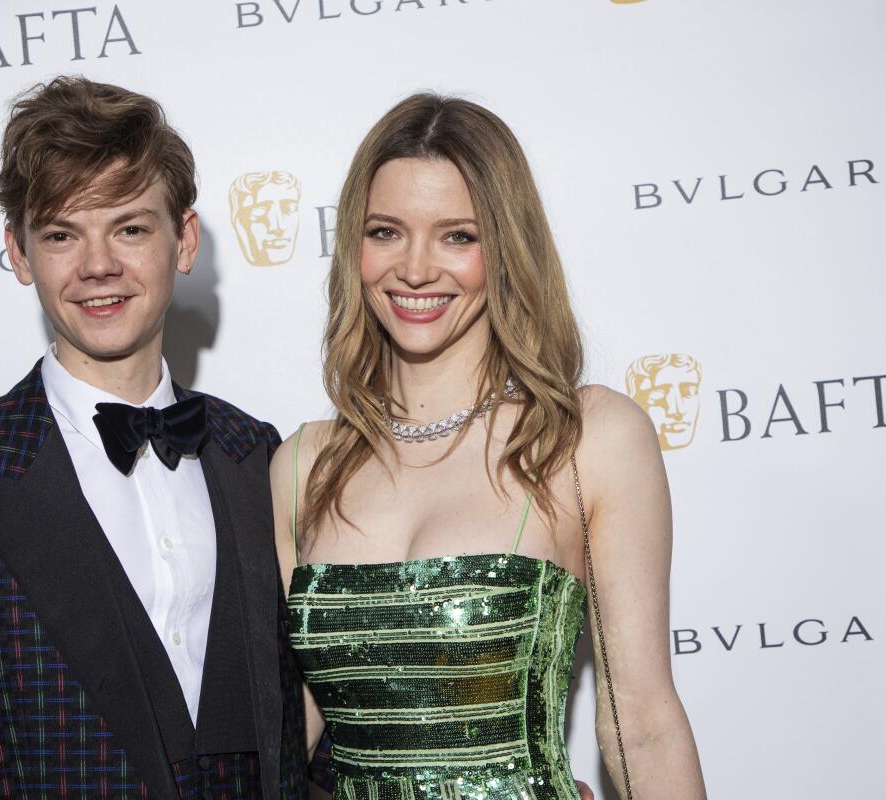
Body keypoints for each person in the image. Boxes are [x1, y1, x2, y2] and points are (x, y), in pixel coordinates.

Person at [0, 76, 310, 800]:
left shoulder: (256, 452)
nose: (98, 265)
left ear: (183, 240)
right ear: (19, 253)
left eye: (130, 227)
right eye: (63, 234)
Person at [271, 94, 706, 799]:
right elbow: (285, 741)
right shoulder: (303, 466)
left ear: (506, 247)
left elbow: (642, 722)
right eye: (386, 231)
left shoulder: (583, 438)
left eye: (457, 236)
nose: (414, 269)